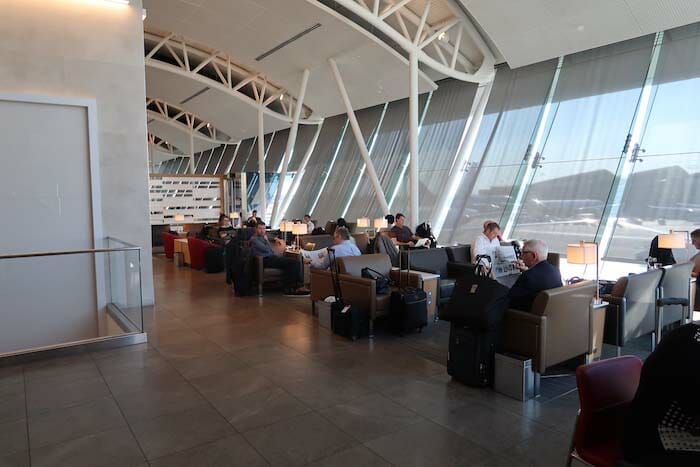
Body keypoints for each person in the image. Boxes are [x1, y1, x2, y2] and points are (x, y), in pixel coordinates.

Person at [623, 323, 700, 466]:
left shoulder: (690, 332)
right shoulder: (690, 345)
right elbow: (692, 405)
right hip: (650, 441)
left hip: (679, 426)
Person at [250, 221, 308, 296]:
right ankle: (291, 288)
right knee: (293, 263)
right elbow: (266, 249)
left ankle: (296, 286)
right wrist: (267, 240)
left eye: (264, 229)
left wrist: (275, 239)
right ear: (256, 229)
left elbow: (270, 249)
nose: (262, 231)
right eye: (260, 228)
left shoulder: (262, 237)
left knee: (295, 262)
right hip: (265, 260)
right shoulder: (254, 239)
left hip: (272, 258)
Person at [508, 239, 562, 311]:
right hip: (550, 313)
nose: (520, 256)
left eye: (523, 253)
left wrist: (494, 280)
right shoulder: (555, 270)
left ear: (533, 256)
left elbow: (509, 300)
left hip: (523, 317)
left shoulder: (528, 276)